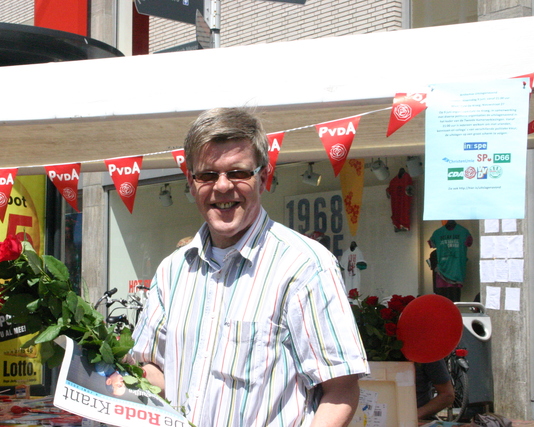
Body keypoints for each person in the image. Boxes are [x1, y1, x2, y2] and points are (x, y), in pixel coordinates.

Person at [132, 107, 369, 427]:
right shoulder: (172, 272)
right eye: (207, 174)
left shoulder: (305, 267)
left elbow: (340, 390)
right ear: (191, 182)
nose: (223, 187)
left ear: (264, 177)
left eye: (238, 172)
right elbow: (153, 369)